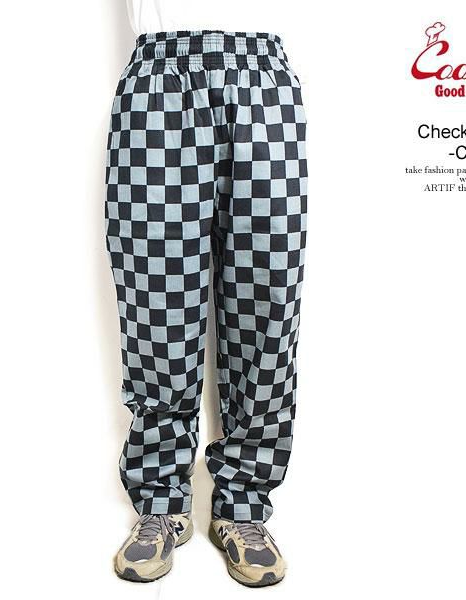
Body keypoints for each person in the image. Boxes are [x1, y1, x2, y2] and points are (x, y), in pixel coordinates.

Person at [105, 3, 308, 588]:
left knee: (268, 297)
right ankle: (161, 501)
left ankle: (243, 504)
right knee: (156, 303)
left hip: (263, 79)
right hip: (157, 80)